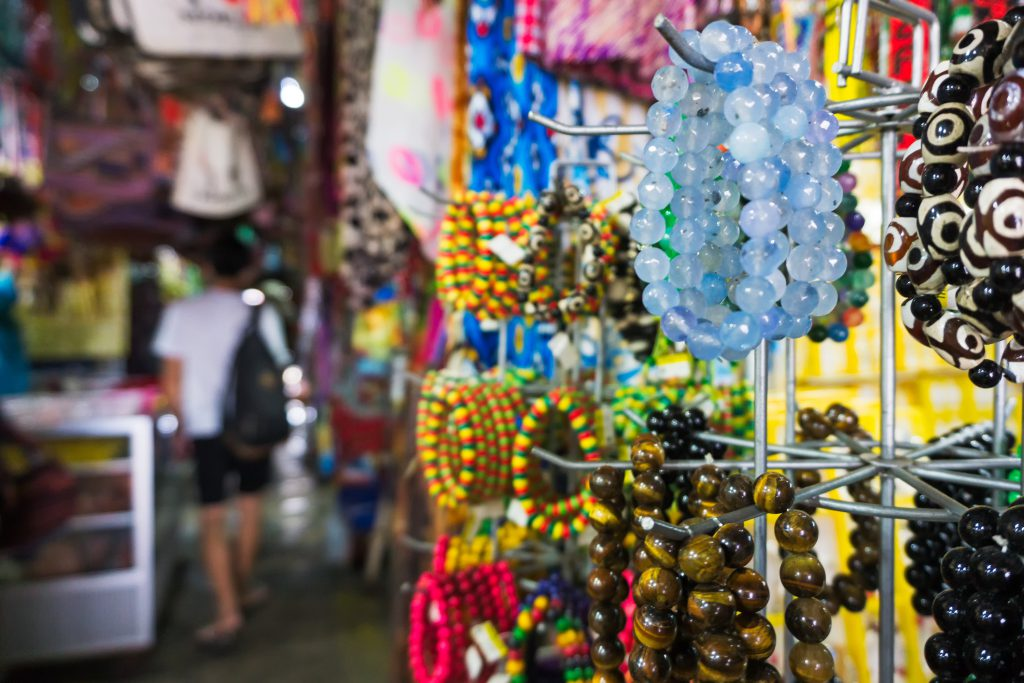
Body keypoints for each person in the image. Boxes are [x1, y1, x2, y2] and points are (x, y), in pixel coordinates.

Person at [152, 226, 291, 648]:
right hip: (250, 426)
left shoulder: (182, 313)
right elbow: (279, 369)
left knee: (213, 517)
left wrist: (179, 427)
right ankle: (244, 588)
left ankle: (227, 611)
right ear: (248, 269)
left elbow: (171, 383)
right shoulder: (259, 313)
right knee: (250, 508)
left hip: (207, 429)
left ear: (207, 268)